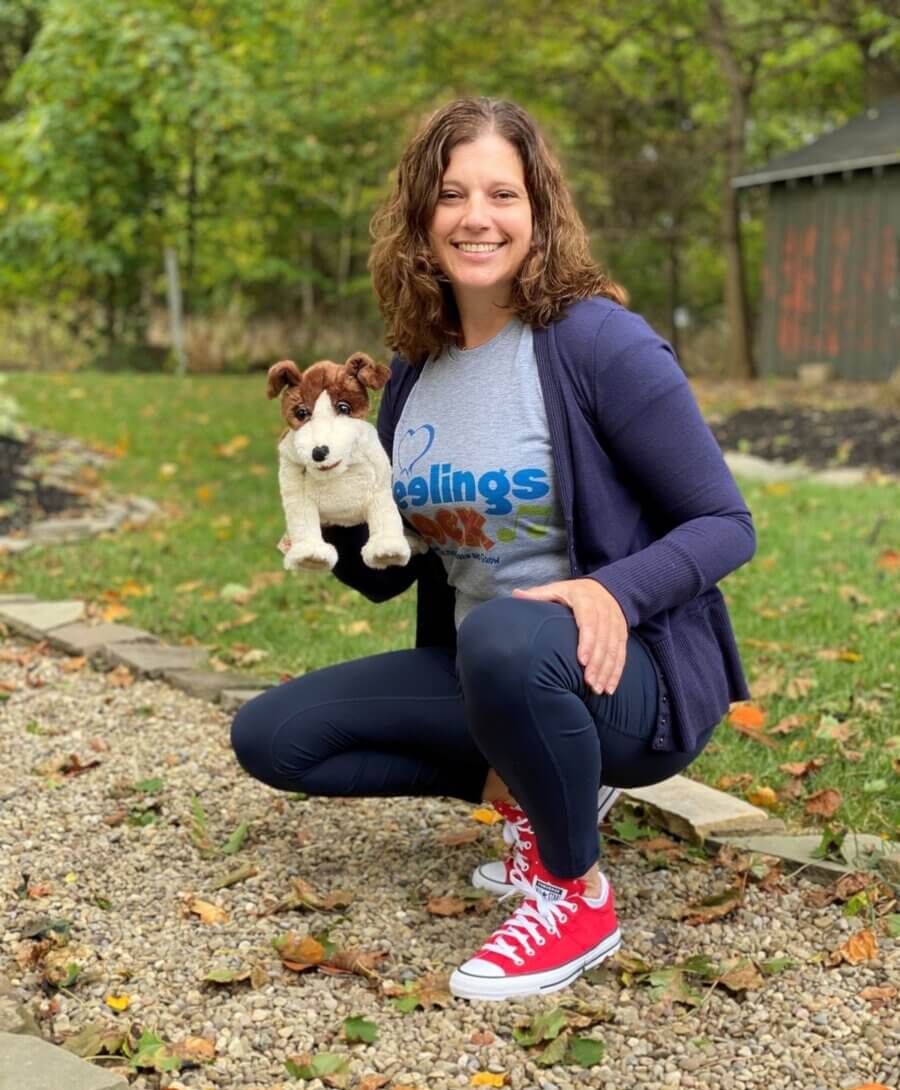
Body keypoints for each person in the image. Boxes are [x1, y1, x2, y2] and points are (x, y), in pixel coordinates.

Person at [231, 97, 755, 1003]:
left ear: (539, 210)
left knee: (508, 636)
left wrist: (612, 594)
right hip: (491, 666)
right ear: (419, 222)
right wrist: (331, 528)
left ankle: (572, 892)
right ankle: (538, 791)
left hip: (623, 676)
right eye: (452, 195)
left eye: (502, 194)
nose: (478, 217)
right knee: (274, 738)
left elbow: (724, 523)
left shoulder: (598, 343)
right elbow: (419, 564)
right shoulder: (415, 373)